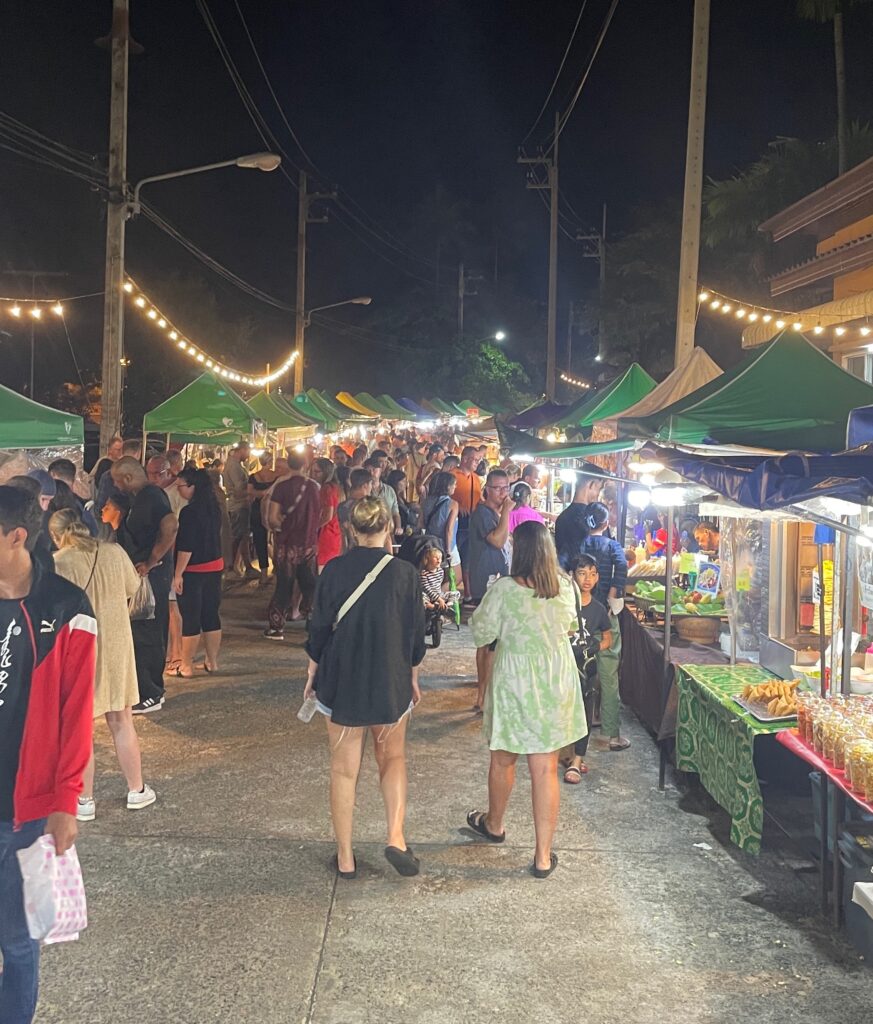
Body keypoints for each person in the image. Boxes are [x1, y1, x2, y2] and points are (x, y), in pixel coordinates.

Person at [0, 486, 96, 1024]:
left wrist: (66, 800)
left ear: (16, 537)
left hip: (26, 808)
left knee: (18, 940)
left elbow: (76, 714)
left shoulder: (65, 607)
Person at [304, 498, 426, 879]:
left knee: (344, 770)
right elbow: (416, 635)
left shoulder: (334, 571)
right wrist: (413, 677)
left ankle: (345, 857)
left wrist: (312, 671)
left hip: (342, 680)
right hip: (390, 680)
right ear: (388, 527)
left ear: (352, 530)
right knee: (392, 758)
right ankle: (395, 837)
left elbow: (319, 628)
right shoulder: (406, 574)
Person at [467, 520, 585, 878]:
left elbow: (480, 632)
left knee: (503, 759)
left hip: (514, 680)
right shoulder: (566, 588)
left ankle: (495, 824)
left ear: (518, 551)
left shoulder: (504, 590)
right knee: (545, 767)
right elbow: (571, 628)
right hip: (554, 680)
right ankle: (543, 857)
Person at [49, 509, 156, 819]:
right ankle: (136, 790)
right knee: (122, 720)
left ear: (56, 536)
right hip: (116, 647)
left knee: (81, 728)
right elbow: (132, 588)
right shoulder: (113, 552)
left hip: (78, 651)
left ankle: (84, 800)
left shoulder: (58, 563)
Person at [111, 456, 178, 713]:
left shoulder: (151, 496)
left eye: (118, 481)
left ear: (128, 478)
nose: (116, 486)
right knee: (141, 629)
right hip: (144, 574)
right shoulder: (141, 497)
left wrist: (151, 561)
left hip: (152, 575)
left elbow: (171, 525)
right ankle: (144, 688)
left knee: (149, 630)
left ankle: (152, 692)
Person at [581, 502, 629, 752]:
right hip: (606, 617)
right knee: (609, 675)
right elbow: (622, 566)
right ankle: (612, 736)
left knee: (578, 673)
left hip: (581, 616)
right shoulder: (612, 546)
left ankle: (575, 732)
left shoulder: (579, 545)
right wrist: (612, 596)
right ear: (606, 523)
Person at [564, 554, 613, 782]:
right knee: (563, 710)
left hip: (586, 669)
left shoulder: (599, 609)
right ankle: (568, 753)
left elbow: (608, 638)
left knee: (585, 712)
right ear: (572, 575)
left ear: (597, 578)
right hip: (564, 666)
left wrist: (595, 647)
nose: (587, 579)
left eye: (592, 574)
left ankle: (577, 760)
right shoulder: (563, 605)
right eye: (582, 573)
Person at [264, 451, 321, 640]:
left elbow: (272, 518)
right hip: (309, 544)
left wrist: (281, 525)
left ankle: (276, 628)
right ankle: (315, 625)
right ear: (305, 465)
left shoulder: (281, 486)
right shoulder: (315, 487)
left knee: (284, 585)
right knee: (310, 585)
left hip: (287, 544)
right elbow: (321, 514)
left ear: (288, 464)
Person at [173, 468, 224, 677]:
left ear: (193, 487)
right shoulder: (215, 507)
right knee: (211, 614)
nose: (178, 490)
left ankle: (186, 665)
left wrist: (178, 574)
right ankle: (212, 661)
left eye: (180, 486)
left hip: (194, 570)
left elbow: (186, 546)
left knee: (191, 617)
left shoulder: (189, 512)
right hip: (215, 566)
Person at [466, 468, 512, 602]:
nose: (503, 493)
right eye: (497, 488)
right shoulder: (482, 513)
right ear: (487, 489)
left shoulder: (497, 514)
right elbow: (497, 542)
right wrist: (506, 511)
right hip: (485, 583)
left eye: (506, 488)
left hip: (499, 579)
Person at [223, 442, 258, 580]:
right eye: (248, 451)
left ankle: (246, 566)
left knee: (243, 536)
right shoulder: (234, 467)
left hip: (240, 505)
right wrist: (253, 492)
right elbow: (238, 490)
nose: (249, 455)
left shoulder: (236, 465)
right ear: (242, 450)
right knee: (237, 536)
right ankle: (230, 567)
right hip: (238, 506)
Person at [554, 474, 603, 570]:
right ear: (592, 485)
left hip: (565, 574)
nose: (598, 494)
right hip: (586, 574)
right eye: (598, 489)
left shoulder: (562, 517)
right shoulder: (593, 518)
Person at [421, 471, 460, 570]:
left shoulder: (426, 502)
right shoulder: (453, 504)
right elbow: (449, 530)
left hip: (430, 544)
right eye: (454, 484)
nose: (455, 487)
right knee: (455, 575)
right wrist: (448, 551)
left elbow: (420, 525)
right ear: (448, 486)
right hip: (446, 545)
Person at [249, 454, 278, 584]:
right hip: (273, 509)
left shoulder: (253, 477)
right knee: (275, 540)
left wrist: (260, 493)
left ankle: (264, 573)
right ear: (270, 461)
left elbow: (250, 492)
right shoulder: (276, 477)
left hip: (257, 509)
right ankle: (276, 568)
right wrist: (267, 492)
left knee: (260, 541)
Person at [312, 457, 343, 570]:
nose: (313, 475)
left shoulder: (327, 488)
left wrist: (313, 528)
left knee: (322, 569)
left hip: (326, 534)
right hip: (335, 532)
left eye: (317, 472)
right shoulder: (336, 487)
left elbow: (327, 515)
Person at [365, 457, 402, 538]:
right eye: (368, 470)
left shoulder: (390, 490)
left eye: (374, 470)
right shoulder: (364, 491)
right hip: (370, 534)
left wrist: (398, 527)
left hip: (388, 533)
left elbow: (395, 513)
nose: (371, 473)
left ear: (380, 470)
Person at [337, 468, 372, 552]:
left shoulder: (342, 507)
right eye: (371, 483)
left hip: (347, 552)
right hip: (367, 550)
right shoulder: (370, 507)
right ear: (365, 485)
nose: (372, 487)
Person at [386, 468, 416, 534]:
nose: (406, 483)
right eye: (403, 481)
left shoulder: (401, 497)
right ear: (395, 482)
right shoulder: (393, 497)